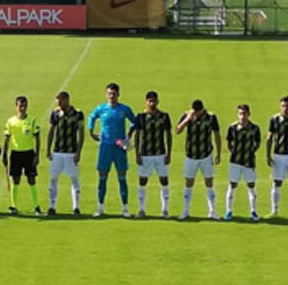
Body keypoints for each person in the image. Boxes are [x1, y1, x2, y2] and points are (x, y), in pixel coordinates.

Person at [87, 83, 137, 218]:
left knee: (122, 178)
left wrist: (128, 136)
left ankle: (125, 208)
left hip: (120, 147)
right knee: (102, 178)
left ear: (118, 94)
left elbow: (135, 122)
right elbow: (91, 117)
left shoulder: (124, 109)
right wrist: (91, 132)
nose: (111, 96)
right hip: (105, 147)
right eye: (109, 93)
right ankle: (100, 207)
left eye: (114, 94)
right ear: (106, 94)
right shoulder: (101, 109)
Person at [175, 99, 222, 220]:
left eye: (198, 112)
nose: (197, 114)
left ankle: (212, 211)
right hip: (191, 155)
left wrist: (218, 152)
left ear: (203, 109)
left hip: (206, 154)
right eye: (195, 112)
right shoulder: (187, 115)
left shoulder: (211, 117)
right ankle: (185, 210)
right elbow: (178, 130)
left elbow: (217, 134)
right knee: (189, 182)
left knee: (209, 182)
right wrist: (187, 119)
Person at [128, 90, 172, 218]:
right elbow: (137, 136)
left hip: (160, 153)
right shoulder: (140, 117)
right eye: (149, 101)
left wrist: (169, 153)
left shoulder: (164, 116)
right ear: (146, 102)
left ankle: (165, 210)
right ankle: (141, 210)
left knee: (164, 180)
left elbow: (168, 135)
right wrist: (137, 154)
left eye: (154, 101)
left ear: (158, 101)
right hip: (145, 154)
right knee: (142, 181)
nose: (152, 103)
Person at [47, 91, 85, 216]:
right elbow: (51, 131)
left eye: (60, 100)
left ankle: (76, 207)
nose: (58, 102)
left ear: (67, 99)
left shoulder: (78, 114)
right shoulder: (56, 113)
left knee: (74, 179)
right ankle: (52, 206)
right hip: (57, 151)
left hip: (71, 152)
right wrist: (48, 149)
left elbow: (81, 133)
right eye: (57, 100)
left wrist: (79, 152)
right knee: (53, 179)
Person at [2, 96, 42, 215]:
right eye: (20, 106)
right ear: (16, 106)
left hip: (29, 153)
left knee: (31, 179)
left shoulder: (32, 120)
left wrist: (37, 155)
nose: (22, 108)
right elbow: (7, 138)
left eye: (24, 106)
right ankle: (13, 206)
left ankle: (36, 206)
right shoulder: (11, 121)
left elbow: (37, 138)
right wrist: (4, 153)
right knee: (16, 179)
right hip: (15, 153)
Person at [225, 104, 261, 221]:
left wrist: (249, 153)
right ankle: (229, 211)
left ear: (249, 114)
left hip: (249, 162)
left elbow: (257, 144)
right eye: (240, 113)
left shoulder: (255, 128)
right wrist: (235, 152)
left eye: (244, 113)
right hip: (235, 161)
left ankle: (253, 211)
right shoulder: (232, 127)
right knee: (232, 185)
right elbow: (228, 143)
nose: (242, 116)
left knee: (251, 186)